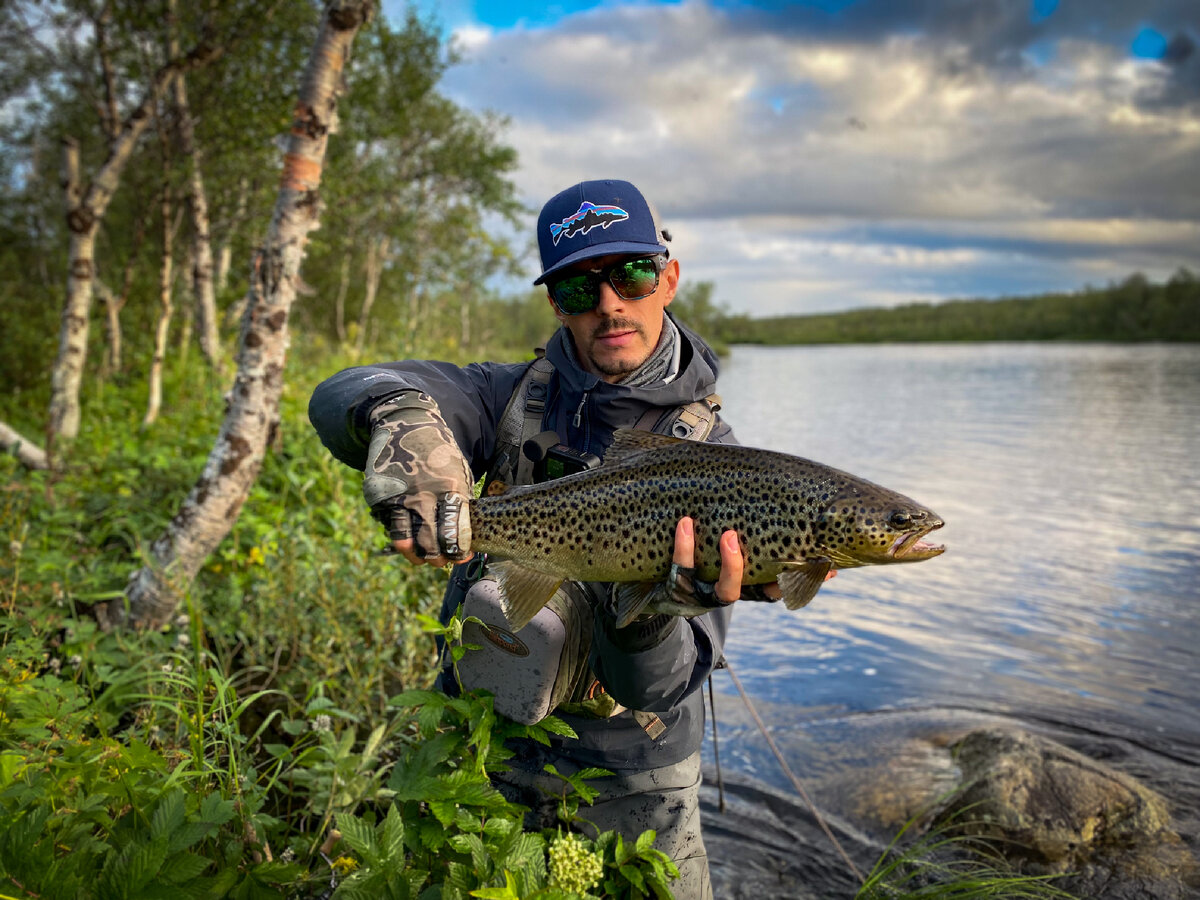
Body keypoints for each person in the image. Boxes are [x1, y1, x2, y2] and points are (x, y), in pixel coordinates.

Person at [309, 179, 771, 899]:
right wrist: (399, 416)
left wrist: (652, 610)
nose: (610, 303)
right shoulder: (507, 397)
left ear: (668, 279)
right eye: (580, 289)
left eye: (632, 274)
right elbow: (341, 390)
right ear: (556, 303)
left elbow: (659, 689)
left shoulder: (725, 468)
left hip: (632, 777)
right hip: (481, 741)